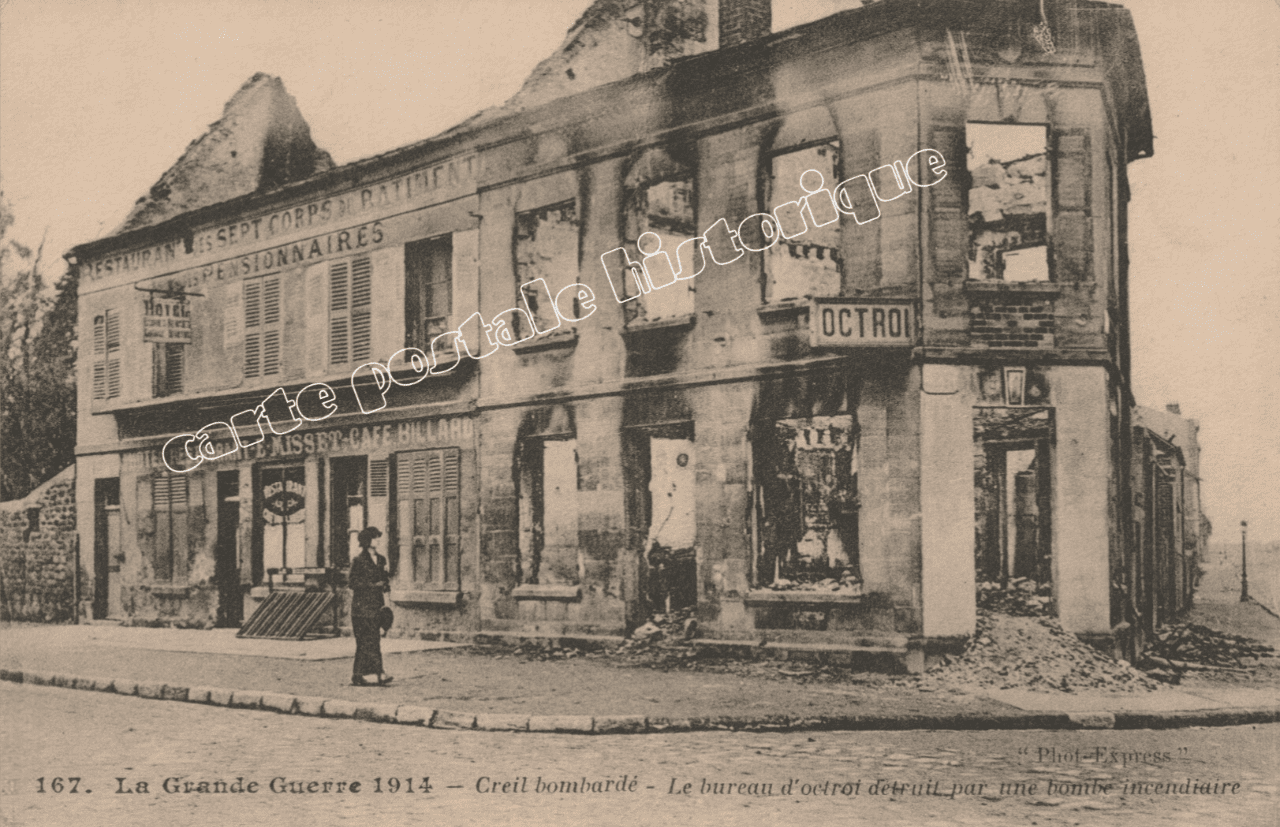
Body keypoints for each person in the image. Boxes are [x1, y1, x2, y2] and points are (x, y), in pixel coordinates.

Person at [349, 526, 392, 686]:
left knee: (374, 640)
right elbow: (353, 583)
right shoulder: (358, 560)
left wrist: (385, 591)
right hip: (361, 607)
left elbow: (385, 580)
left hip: (377, 606)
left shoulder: (381, 559)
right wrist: (374, 586)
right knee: (364, 641)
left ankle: (374, 674)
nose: (378, 540)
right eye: (375, 537)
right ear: (367, 541)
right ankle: (364, 674)